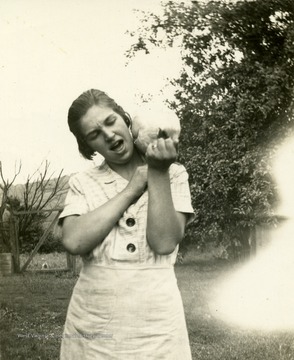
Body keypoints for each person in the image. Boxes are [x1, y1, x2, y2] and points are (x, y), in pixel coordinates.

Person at [59, 89, 194, 359]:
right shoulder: (83, 182)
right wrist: (132, 189)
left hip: (157, 321)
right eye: (94, 134)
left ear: (126, 120)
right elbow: (73, 241)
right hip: (95, 321)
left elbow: (164, 242)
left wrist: (157, 172)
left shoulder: (173, 173)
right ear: (88, 147)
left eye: (111, 122)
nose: (108, 135)